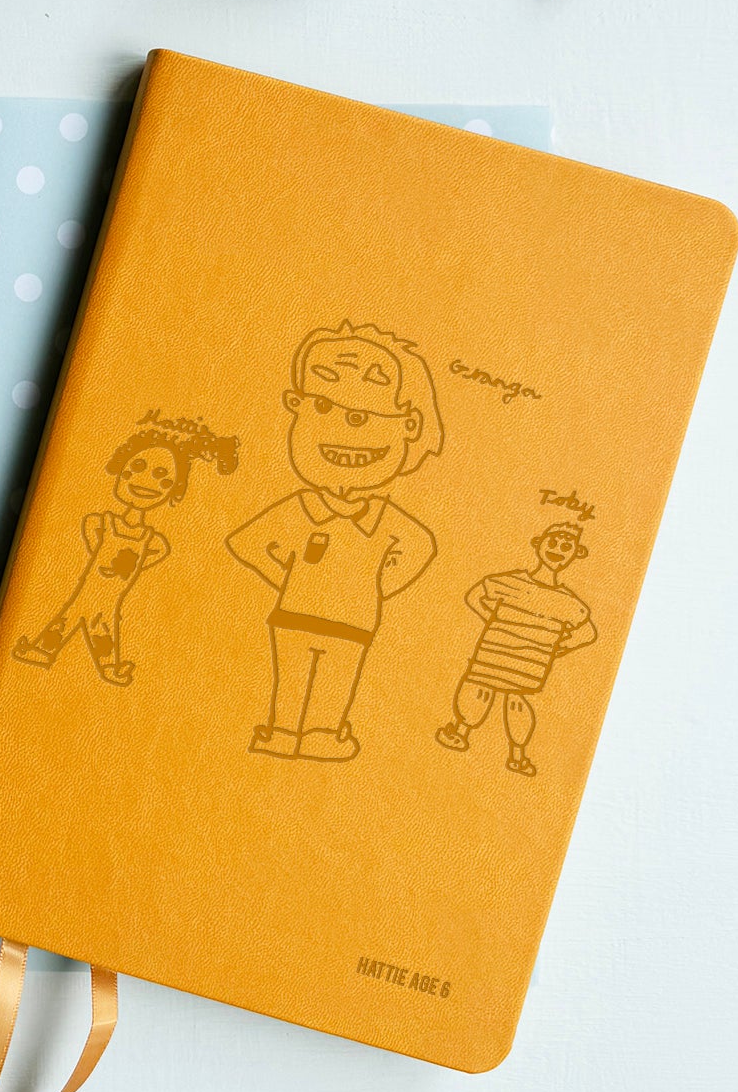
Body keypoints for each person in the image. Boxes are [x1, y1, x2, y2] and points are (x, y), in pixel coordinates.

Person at [225, 322, 442, 762]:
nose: (346, 428)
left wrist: (375, 583)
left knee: (338, 678)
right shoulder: (302, 506)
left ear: (409, 426)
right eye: (322, 405)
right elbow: (247, 542)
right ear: (296, 406)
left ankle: (323, 733)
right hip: (294, 614)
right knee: (291, 676)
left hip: (354, 621)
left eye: (363, 417)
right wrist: (287, 575)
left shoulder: (386, 520)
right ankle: (283, 731)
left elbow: (420, 548)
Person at [13, 412, 236, 687]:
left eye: (162, 477)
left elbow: (151, 555)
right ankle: (89, 664)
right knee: (85, 625)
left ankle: (70, 659)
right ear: (119, 471)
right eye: (135, 468)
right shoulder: (101, 523)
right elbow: (99, 545)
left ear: (174, 490)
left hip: (108, 598)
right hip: (91, 590)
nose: (146, 481)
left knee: (91, 627)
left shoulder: (152, 542)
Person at [436, 522, 597, 777]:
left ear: (576, 554)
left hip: (529, 663)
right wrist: (492, 619)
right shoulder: (510, 582)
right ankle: (461, 731)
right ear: (538, 543)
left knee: (516, 704)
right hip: (493, 653)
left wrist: (557, 647)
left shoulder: (569, 602)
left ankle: (517, 756)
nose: (558, 550)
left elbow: (587, 633)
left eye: (567, 546)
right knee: (479, 690)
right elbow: (475, 595)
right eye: (553, 542)